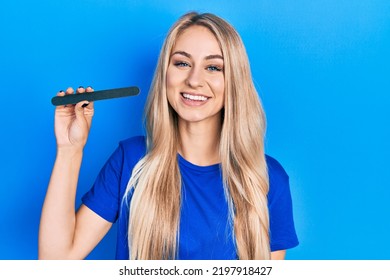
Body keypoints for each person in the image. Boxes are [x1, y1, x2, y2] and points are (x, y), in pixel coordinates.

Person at [39, 12, 298, 260]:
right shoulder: (130, 161)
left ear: (234, 80)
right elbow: (55, 261)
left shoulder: (266, 179)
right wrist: (69, 150)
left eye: (213, 67)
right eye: (182, 63)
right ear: (165, 73)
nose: (194, 80)